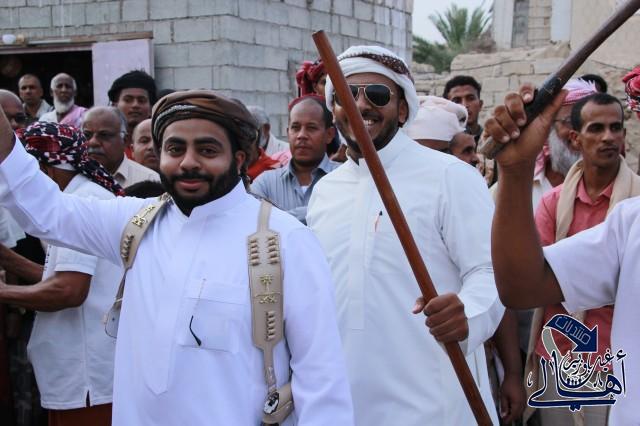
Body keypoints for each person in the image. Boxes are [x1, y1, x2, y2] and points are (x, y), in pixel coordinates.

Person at [0, 90, 354, 425]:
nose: (188, 162)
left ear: (239, 159)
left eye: (207, 150)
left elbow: (321, 379)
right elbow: (45, 210)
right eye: (175, 149)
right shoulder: (134, 224)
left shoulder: (286, 241)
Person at [307, 45, 503, 425]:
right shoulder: (325, 192)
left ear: (402, 109)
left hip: (432, 402)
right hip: (346, 402)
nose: (360, 105)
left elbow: (490, 271)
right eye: (347, 95)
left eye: (377, 95)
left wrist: (468, 312)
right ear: (334, 108)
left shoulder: (450, 176)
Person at [486, 82, 640, 426]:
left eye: (615, 128)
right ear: (575, 139)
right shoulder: (628, 223)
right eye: (596, 128)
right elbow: (523, 286)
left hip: (612, 363)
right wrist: (516, 170)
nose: (608, 137)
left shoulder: (631, 202)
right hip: (565, 360)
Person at [0, 122, 124, 426]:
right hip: (80, 380)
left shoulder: (81, 202)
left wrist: (4, 293)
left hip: (87, 381)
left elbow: (68, 290)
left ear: (44, 170)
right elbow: (60, 279)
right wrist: (8, 259)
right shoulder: (81, 196)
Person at [251, 95, 338, 223]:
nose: (301, 135)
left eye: (311, 128)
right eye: (295, 128)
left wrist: (278, 218)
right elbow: (253, 222)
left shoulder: (345, 179)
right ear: (288, 133)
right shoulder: (265, 184)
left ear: (329, 134)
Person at [83, 106, 159, 187]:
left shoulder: (149, 179)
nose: (93, 142)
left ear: (124, 141)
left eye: (104, 135)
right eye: (87, 135)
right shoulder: (74, 176)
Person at [108, 70, 157, 158]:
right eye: (128, 100)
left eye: (141, 100)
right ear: (114, 106)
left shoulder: (161, 143)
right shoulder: (106, 145)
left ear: (151, 108)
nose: (135, 105)